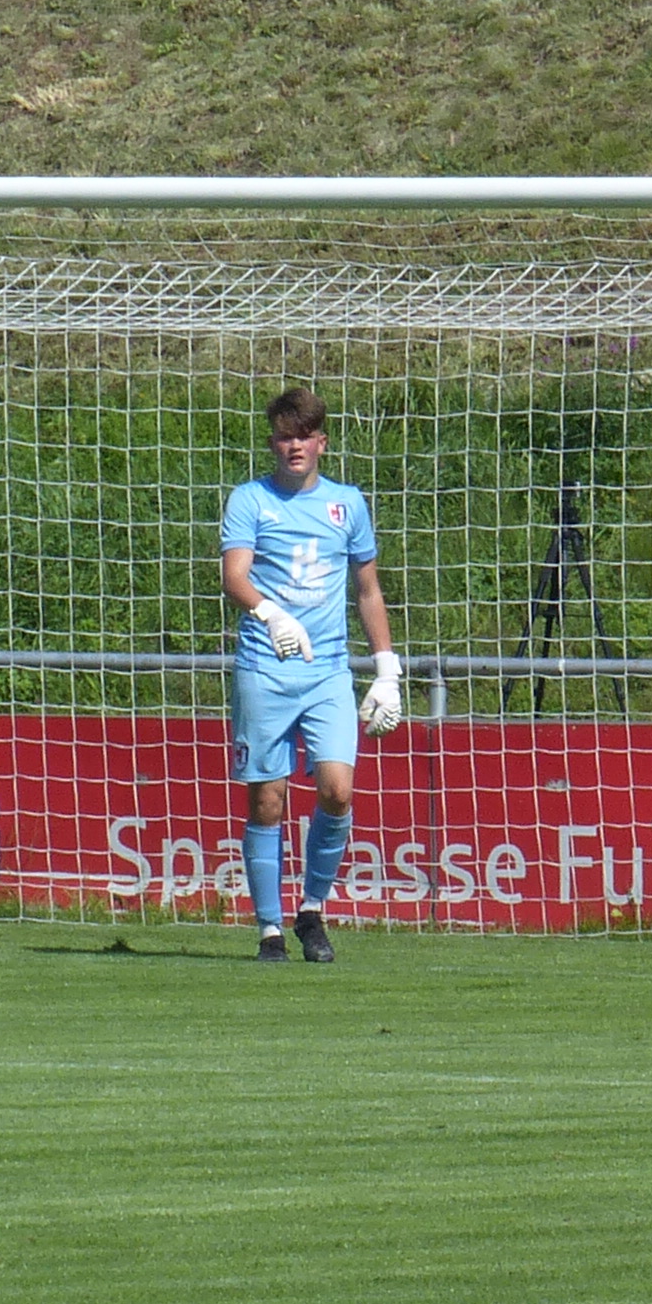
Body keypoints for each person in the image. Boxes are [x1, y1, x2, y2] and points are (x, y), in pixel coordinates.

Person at [219, 390, 399, 963]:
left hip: (327, 672)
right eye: (283, 435)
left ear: (322, 440)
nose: (293, 445)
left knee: (337, 791)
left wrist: (386, 670)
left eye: (304, 435)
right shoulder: (250, 500)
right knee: (268, 801)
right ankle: (269, 928)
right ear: (273, 441)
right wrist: (270, 615)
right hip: (265, 668)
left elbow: (367, 589)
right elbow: (235, 576)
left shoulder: (347, 503)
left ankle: (312, 911)